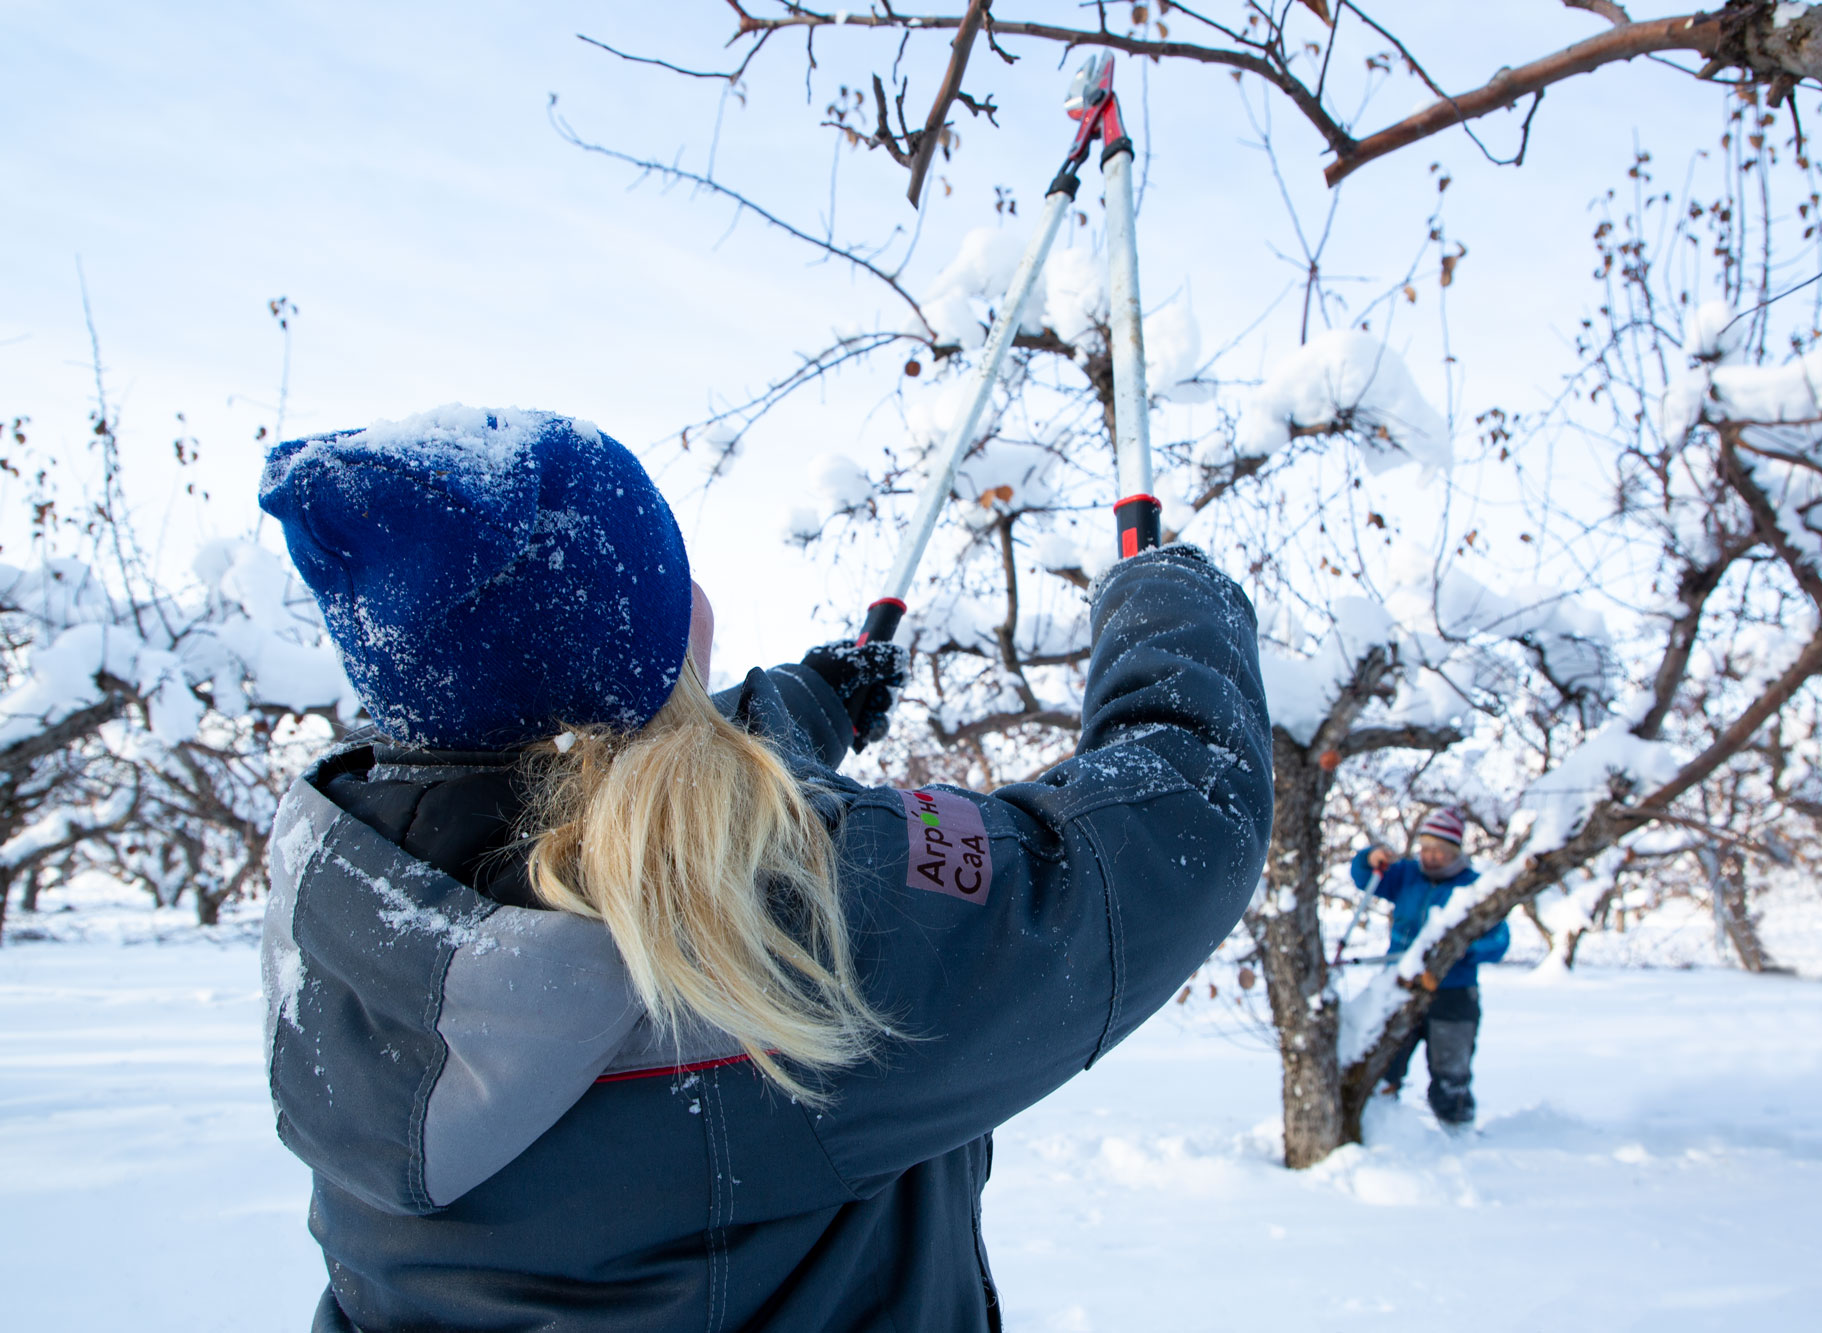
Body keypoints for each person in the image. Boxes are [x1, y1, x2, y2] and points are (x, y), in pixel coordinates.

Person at [255, 408, 1273, 1332]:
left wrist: (814, 698)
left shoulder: (348, 904)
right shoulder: (779, 936)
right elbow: (1179, 819)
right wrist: (1167, 599)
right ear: (637, 655)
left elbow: (601, 790)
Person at [1351, 807, 1508, 1129]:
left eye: (1439, 850)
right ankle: (1381, 1125)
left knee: (1451, 1070)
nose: (1431, 856)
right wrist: (1369, 858)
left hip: (1453, 993)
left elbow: (1498, 941)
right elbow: (1364, 878)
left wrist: (1461, 950)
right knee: (1384, 1062)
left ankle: (1456, 1129)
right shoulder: (1407, 874)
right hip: (1401, 986)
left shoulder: (1475, 887)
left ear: (1455, 852)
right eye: (1426, 848)